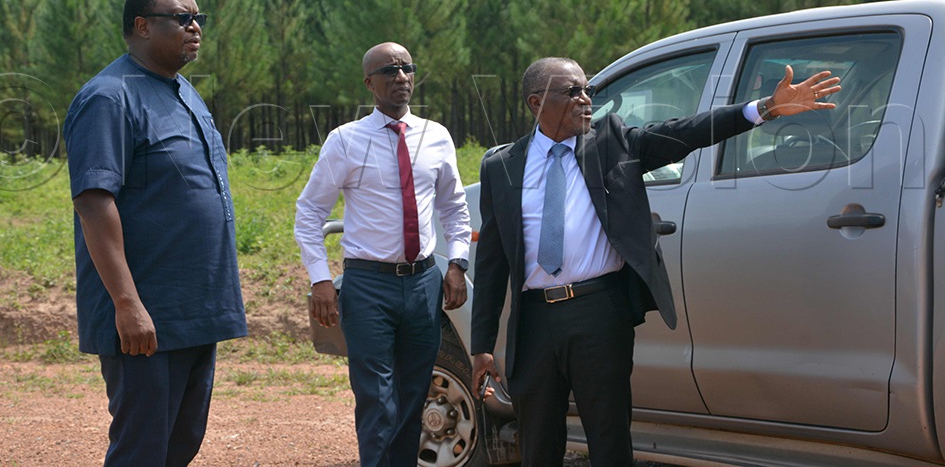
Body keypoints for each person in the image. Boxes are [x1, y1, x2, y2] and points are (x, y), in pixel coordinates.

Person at [471, 56, 840, 467]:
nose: (585, 99)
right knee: (537, 444)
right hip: (535, 322)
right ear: (536, 102)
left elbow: (687, 131)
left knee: (609, 439)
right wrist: (482, 345)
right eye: (572, 92)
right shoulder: (501, 166)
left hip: (599, 314)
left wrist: (765, 108)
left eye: (587, 90)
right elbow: (491, 261)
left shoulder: (613, 142)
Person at [63, 0, 247, 467]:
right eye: (183, 18)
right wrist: (127, 304)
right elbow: (94, 203)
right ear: (142, 26)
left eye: (198, 18)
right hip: (146, 315)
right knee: (142, 448)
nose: (195, 27)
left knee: (179, 443)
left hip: (194, 308)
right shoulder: (108, 97)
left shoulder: (183, 91)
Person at [295, 41, 471, 467]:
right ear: (369, 83)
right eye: (389, 70)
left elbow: (454, 206)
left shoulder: (436, 137)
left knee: (413, 398)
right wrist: (320, 279)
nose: (401, 77)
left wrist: (457, 265)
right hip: (368, 286)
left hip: (424, 283)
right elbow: (309, 212)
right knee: (377, 401)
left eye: (407, 68)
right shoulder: (346, 141)